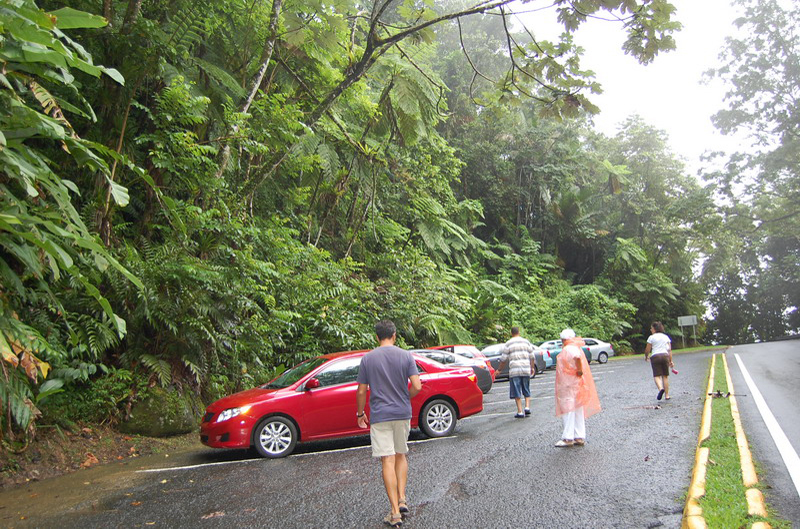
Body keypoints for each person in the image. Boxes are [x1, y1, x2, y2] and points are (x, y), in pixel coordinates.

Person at [356, 320, 422, 528]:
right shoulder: (405, 355)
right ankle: (402, 498)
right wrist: (405, 397)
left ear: (377, 337)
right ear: (394, 335)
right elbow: (417, 386)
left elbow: (361, 390)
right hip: (402, 413)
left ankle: (394, 513)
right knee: (401, 454)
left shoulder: (368, 358)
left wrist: (360, 413)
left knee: (387, 460)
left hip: (380, 415)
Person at [554, 328, 601, 447]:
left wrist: (579, 370)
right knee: (578, 407)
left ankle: (568, 438)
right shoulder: (576, 347)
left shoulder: (568, 348)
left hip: (569, 383)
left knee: (568, 408)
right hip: (576, 383)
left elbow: (577, 358)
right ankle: (579, 436)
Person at [496, 326, 537, 418]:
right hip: (526, 368)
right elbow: (532, 356)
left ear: (511, 333)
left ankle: (520, 412)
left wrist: (499, 370)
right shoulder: (526, 342)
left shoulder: (508, 343)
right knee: (526, 388)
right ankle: (527, 407)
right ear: (519, 332)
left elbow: (503, 359)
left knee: (516, 390)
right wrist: (532, 367)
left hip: (514, 370)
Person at [644, 321, 674, 400]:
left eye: (651, 328)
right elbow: (669, 350)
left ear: (654, 329)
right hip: (665, 356)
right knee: (665, 376)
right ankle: (667, 395)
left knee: (657, 376)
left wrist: (646, 356)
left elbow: (647, 349)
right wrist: (670, 361)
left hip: (655, 356)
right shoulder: (666, 337)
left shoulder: (651, 337)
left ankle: (661, 388)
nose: (651, 330)